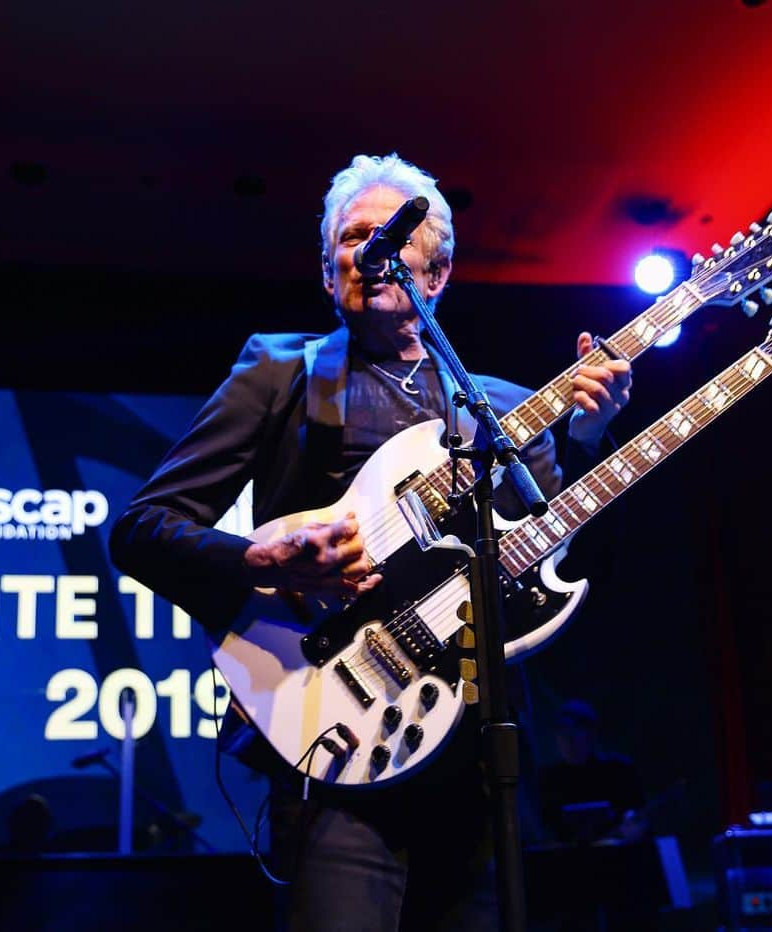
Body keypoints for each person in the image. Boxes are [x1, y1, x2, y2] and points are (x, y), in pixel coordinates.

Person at [108, 152, 632, 932]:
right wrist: (259, 559)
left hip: (474, 758)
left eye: (393, 233)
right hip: (335, 747)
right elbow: (142, 531)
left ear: (439, 270)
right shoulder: (277, 373)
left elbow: (547, 553)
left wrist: (589, 435)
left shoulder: (503, 412)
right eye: (354, 237)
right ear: (330, 274)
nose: (371, 249)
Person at [534, 698, 648, 848]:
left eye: (574, 733)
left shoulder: (618, 770)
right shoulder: (548, 779)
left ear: (591, 735)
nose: (568, 741)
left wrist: (631, 830)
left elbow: (637, 815)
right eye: (562, 733)